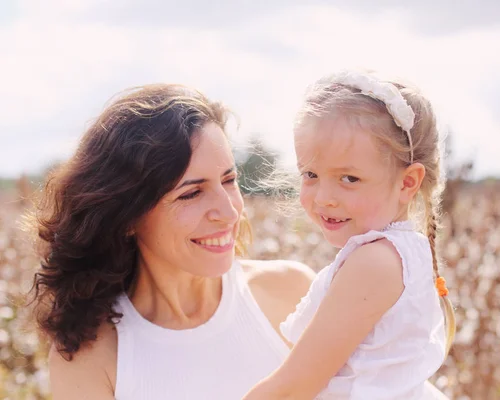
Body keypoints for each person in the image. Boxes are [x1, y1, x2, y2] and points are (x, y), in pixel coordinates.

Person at [27, 84, 315, 399]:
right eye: (191, 193)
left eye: (229, 180)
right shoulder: (89, 356)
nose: (229, 211)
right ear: (127, 216)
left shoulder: (294, 292)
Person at [243, 70, 456, 400]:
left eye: (349, 179)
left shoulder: (375, 262)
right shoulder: (400, 253)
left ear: (407, 182)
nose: (324, 196)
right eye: (310, 174)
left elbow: (294, 387)